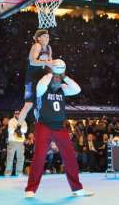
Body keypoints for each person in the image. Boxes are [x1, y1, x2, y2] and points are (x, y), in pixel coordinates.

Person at [25, 59, 93, 198]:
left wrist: (64, 76)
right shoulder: (42, 88)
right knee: (39, 157)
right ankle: (30, 189)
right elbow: (41, 85)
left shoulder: (62, 89)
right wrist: (52, 71)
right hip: (43, 126)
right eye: (55, 76)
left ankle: (77, 188)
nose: (57, 79)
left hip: (59, 127)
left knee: (70, 157)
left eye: (59, 77)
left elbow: (77, 89)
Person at [18, 29, 53, 124]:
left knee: (46, 102)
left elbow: (50, 65)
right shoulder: (37, 46)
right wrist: (47, 62)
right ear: (38, 38)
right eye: (45, 36)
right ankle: (18, 126)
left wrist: (55, 67)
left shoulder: (49, 48)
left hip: (42, 78)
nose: (47, 38)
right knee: (28, 104)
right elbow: (33, 61)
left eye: (48, 36)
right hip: (31, 79)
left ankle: (41, 121)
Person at [4, 110, 27, 176]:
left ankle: (19, 172)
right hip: (12, 141)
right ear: (14, 114)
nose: (18, 114)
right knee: (10, 158)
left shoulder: (23, 121)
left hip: (20, 142)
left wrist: (16, 129)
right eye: (16, 113)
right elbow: (10, 130)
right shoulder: (11, 121)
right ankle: (8, 173)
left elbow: (25, 130)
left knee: (20, 158)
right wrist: (19, 129)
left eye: (19, 113)